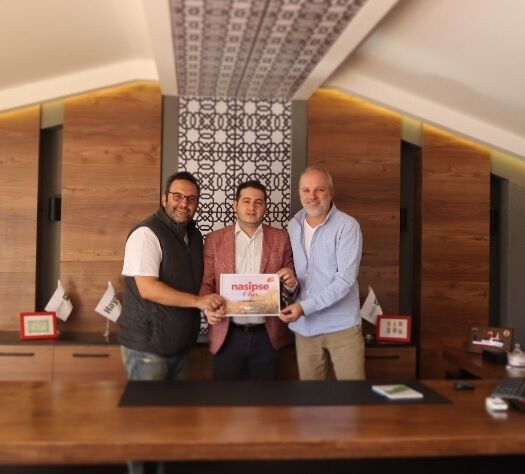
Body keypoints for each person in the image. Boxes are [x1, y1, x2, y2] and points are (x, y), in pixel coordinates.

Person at [118, 171, 224, 381]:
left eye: (191, 199)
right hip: (148, 349)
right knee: (149, 404)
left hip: (181, 347)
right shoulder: (146, 234)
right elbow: (148, 288)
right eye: (178, 196)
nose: (184, 204)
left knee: (175, 405)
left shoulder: (194, 236)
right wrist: (199, 302)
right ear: (164, 198)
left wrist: (211, 305)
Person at [200, 180, 298, 380]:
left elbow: (291, 285)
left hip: (268, 335)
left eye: (258, 202)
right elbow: (206, 283)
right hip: (226, 333)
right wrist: (208, 309)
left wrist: (291, 284)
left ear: (265, 207)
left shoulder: (281, 239)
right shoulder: (214, 239)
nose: (252, 207)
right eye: (246, 201)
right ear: (235, 205)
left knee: (266, 396)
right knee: (224, 396)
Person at [279, 166, 364, 380]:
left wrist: (303, 307)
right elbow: (297, 276)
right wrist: (289, 282)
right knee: (311, 396)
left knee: (351, 394)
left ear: (331, 192)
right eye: (306, 190)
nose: (312, 196)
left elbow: (345, 280)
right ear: (299, 193)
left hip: (342, 326)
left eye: (319, 190)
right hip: (305, 328)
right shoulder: (293, 226)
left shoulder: (347, 226)